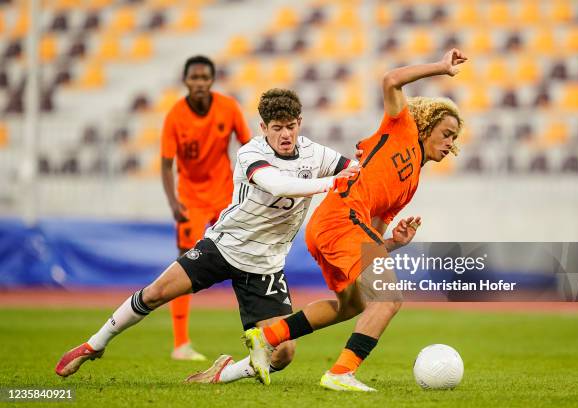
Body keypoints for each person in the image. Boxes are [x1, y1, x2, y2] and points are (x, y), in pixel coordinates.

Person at [55, 88, 359, 382]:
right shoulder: (251, 152)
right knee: (156, 293)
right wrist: (333, 182)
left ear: (299, 124)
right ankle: (94, 344)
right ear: (263, 127)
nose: (285, 135)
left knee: (283, 354)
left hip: (265, 265)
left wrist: (369, 161)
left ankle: (221, 375)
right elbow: (278, 185)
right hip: (224, 246)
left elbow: (357, 170)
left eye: (290, 127)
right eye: (277, 127)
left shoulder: (314, 154)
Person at [245, 49, 467, 392]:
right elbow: (390, 79)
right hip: (339, 219)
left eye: (455, 138)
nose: (451, 143)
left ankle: (268, 337)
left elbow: (372, 238)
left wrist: (393, 243)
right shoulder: (402, 126)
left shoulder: (410, 186)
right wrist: (441, 68)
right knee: (389, 297)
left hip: (333, 226)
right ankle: (341, 372)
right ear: (428, 124)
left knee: (352, 304)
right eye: (447, 132)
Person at [161, 55, 251, 360]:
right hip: (190, 199)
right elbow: (166, 164)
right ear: (185, 81)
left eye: (204, 78)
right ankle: (180, 343)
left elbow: (248, 147)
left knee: (246, 254)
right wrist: (174, 202)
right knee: (183, 263)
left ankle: (256, 329)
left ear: (211, 80)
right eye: (194, 78)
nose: (199, 83)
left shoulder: (229, 108)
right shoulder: (175, 116)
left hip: (225, 195)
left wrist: (251, 187)